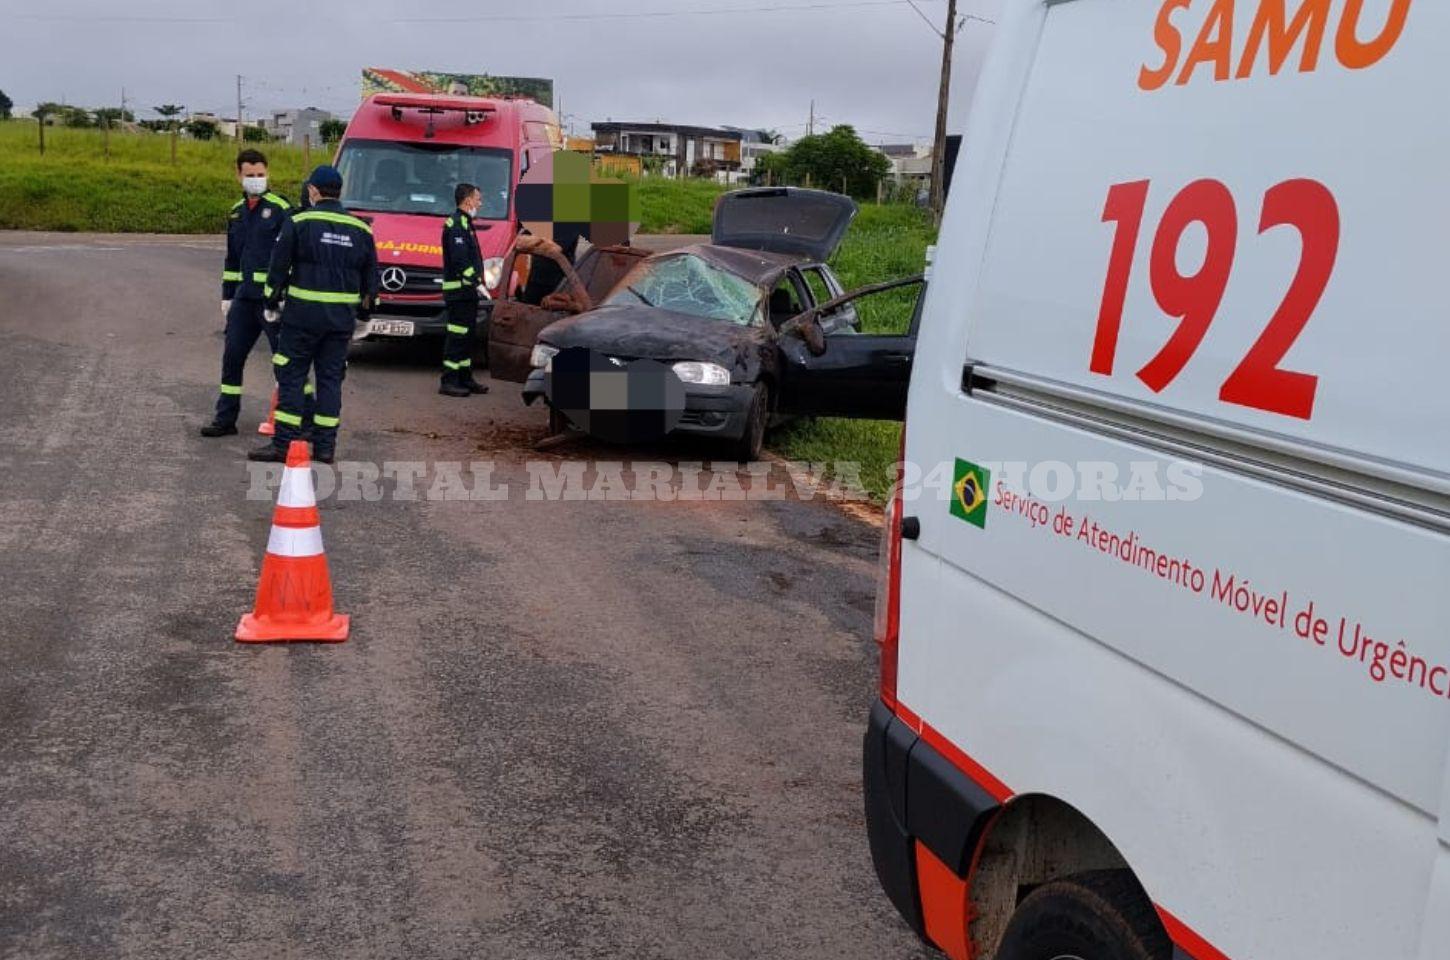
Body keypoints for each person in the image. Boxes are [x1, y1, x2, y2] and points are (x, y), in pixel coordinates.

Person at [248, 165, 378, 465]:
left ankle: (283, 444)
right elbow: (372, 279)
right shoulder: (361, 229)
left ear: (313, 191)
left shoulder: (299, 222)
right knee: (330, 380)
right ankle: (325, 448)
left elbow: (277, 267)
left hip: (301, 318)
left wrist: (270, 301)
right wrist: (365, 314)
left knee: (292, 376)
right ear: (339, 192)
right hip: (340, 322)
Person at [200, 149, 291, 437]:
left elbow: (290, 256)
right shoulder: (236, 212)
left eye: (261, 175)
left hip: (272, 301)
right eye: (250, 175)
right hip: (243, 299)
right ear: (238, 174)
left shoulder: (280, 209)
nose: (256, 180)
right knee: (232, 358)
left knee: (285, 361)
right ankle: (225, 418)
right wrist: (227, 295)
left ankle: (296, 419)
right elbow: (232, 259)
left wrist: (282, 295)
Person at [439, 182, 489, 398]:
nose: (480, 202)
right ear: (468, 200)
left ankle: (465, 378)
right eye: (478, 198)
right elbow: (460, 261)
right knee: (457, 338)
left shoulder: (466, 223)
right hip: (459, 293)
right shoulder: (456, 224)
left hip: (467, 293)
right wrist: (476, 281)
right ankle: (449, 380)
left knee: (467, 337)